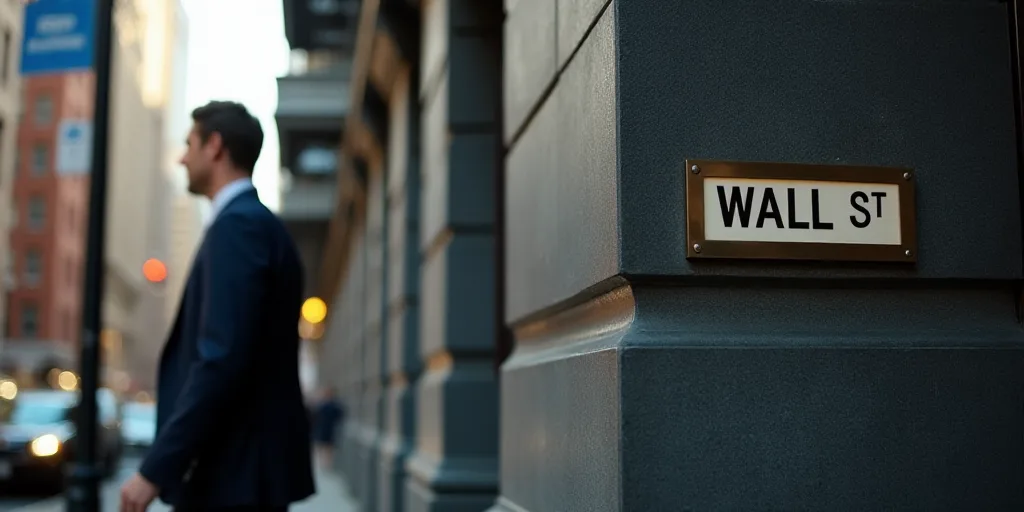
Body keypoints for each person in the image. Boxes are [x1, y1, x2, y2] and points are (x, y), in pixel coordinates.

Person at [120, 101, 315, 512]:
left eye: (189, 143)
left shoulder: (238, 228)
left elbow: (220, 360)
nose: (181, 157)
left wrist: (155, 469)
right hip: (244, 472)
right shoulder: (258, 225)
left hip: (232, 476)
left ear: (215, 147)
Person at [312, 387, 344, 468]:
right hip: (323, 428)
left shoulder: (332, 405)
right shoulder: (322, 405)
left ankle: (326, 464)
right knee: (322, 446)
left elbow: (339, 416)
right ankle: (323, 463)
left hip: (329, 429)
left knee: (328, 447)